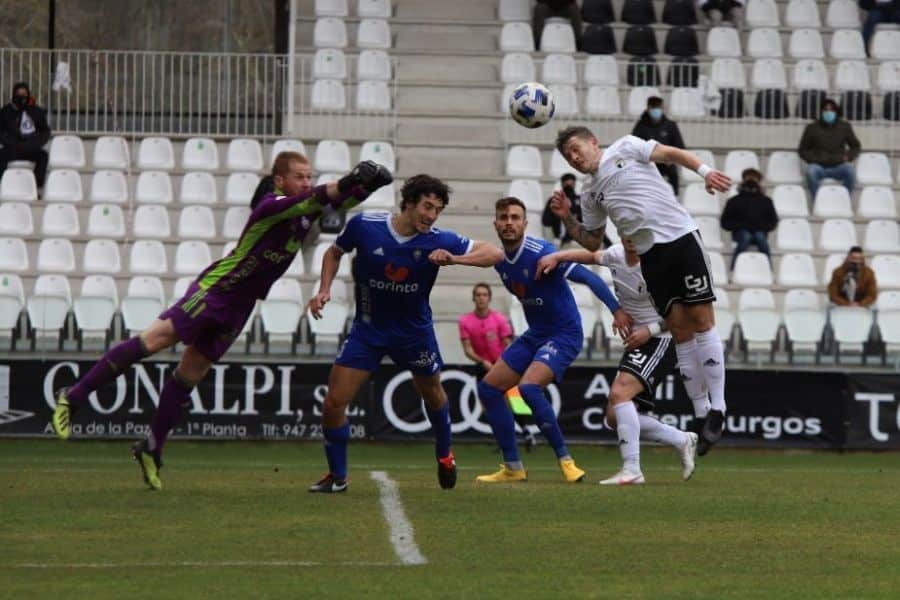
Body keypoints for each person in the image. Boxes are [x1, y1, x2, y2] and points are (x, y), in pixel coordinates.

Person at [50, 154, 393, 490]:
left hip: (239, 305)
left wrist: (369, 186)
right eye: (300, 176)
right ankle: (74, 395)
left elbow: (336, 205)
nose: (306, 181)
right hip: (216, 290)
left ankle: (152, 447)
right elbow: (318, 197)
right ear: (279, 180)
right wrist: (351, 178)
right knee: (152, 341)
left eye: (308, 176)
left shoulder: (303, 215)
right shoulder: (271, 206)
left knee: (189, 375)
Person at [306, 174, 504, 493]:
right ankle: (337, 476)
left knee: (433, 393)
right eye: (427, 206)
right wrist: (324, 289)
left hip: (414, 334)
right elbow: (333, 252)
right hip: (368, 330)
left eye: (437, 209)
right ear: (409, 202)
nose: (431, 215)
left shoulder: (438, 239)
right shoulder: (366, 226)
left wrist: (455, 258)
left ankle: (444, 455)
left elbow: (494, 254)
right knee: (333, 402)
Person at [551, 126, 732, 455]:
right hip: (651, 258)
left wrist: (704, 171)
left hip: (680, 239)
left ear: (594, 142)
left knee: (702, 321)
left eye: (576, 149)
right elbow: (592, 241)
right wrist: (566, 218)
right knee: (679, 331)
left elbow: (671, 153)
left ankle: (718, 409)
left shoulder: (625, 146)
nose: (574, 158)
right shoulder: (590, 195)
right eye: (568, 156)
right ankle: (701, 414)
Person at [473, 196, 632, 484]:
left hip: (564, 333)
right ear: (495, 223)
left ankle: (566, 461)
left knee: (529, 389)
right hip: (536, 334)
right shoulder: (501, 263)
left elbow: (590, 278)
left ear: (524, 223)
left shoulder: (541, 252)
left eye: (515, 217)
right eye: (504, 217)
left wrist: (617, 310)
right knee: (488, 389)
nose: (509, 222)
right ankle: (513, 467)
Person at [537, 240, 699, 485]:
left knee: (619, 393)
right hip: (639, 341)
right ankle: (681, 440)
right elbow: (590, 256)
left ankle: (632, 469)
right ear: (622, 236)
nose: (633, 240)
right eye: (627, 235)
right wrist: (557, 257)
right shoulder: (616, 255)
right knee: (614, 417)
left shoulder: (660, 264)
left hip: (662, 338)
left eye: (638, 234)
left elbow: (685, 312)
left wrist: (650, 329)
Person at [459, 283, 537, 451]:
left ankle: (526, 432)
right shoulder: (465, 321)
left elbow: (508, 344)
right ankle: (505, 439)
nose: (481, 298)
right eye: (478, 295)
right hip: (483, 365)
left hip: (503, 364)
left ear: (489, 298)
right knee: (488, 406)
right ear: (474, 298)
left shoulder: (499, 319)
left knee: (515, 401)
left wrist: (502, 363)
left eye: (484, 295)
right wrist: (482, 362)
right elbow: (467, 349)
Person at [798, 99, 861, 200]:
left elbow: (855, 146)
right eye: (825, 110)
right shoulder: (812, 128)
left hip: (839, 165)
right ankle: (818, 201)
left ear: (836, 112)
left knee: (850, 171)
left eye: (831, 110)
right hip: (819, 166)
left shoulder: (844, 127)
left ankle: (843, 200)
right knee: (811, 172)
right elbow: (803, 150)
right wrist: (813, 159)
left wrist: (848, 157)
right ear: (821, 112)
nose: (828, 112)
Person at [719, 168, 778, 271]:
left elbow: (773, 222)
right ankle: (734, 269)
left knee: (760, 238)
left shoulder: (766, 201)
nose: (751, 181)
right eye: (748, 178)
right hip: (740, 232)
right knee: (745, 236)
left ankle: (769, 269)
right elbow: (725, 222)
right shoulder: (734, 201)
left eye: (754, 178)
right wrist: (741, 225)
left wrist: (760, 226)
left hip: (759, 232)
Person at [0, 82, 51, 193]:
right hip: (12, 148)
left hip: (30, 148)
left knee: (43, 156)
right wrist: (11, 143)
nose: (22, 97)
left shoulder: (36, 111)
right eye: (19, 94)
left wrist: (34, 143)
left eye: (24, 94)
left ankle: (36, 188)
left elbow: (45, 132)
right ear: (14, 95)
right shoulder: (5, 111)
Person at [631, 96, 686, 195]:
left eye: (659, 108)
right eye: (654, 108)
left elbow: (680, 147)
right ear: (648, 108)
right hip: (647, 166)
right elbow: (633, 147)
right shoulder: (640, 126)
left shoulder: (670, 125)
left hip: (668, 166)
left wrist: (671, 159)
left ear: (662, 108)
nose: (657, 111)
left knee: (673, 178)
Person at [541, 174, 583, 247]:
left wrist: (573, 210)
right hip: (559, 240)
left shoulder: (580, 200)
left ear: (575, 185)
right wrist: (557, 213)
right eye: (567, 185)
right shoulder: (554, 200)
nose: (569, 188)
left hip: (577, 240)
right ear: (562, 185)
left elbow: (587, 222)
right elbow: (545, 221)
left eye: (571, 185)